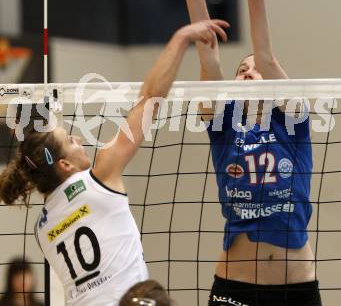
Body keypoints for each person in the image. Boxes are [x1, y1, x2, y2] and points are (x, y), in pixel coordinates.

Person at [0, 20, 228, 306]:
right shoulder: (99, 179)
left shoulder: (42, 228)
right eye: (71, 140)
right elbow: (150, 100)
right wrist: (181, 38)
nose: (80, 141)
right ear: (65, 165)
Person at [157, 0, 322, 306]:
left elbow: (265, 55)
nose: (249, 72)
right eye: (241, 70)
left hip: (296, 289)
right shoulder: (224, 125)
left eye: (254, 71)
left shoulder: (293, 123)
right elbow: (209, 57)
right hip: (236, 287)